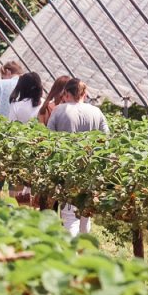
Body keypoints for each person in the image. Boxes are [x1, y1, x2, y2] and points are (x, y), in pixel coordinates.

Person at [46, 78, 109, 236]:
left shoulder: (59, 110)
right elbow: (107, 140)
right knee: (85, 214)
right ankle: (83, 252)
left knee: (69, 215)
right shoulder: (96, 112)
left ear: (66, 93)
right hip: (90, 169)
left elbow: (48, 139)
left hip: (67, 168)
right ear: (85, 94)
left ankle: (70, 255)